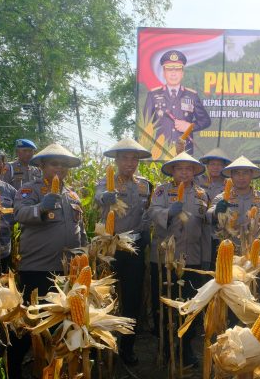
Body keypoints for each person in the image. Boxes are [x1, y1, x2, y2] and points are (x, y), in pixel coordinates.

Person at [11, 143, 87, 379]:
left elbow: (80, 228)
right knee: (30, 321)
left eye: (64, 165)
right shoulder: (29, 190)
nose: (60, 169)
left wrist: (84, 254)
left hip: (65, 270)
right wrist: (40, 209)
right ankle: (14, 367)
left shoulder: (72, 195)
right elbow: (19, 214)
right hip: (37, 268)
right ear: (42, 165)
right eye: (54, 163)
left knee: (58, 323)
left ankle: (51, 368)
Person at [146, 151, 210, 367]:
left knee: (190, 305)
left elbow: (205, 225)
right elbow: (152, 213)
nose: (184, 172)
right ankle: (164, 347)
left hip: (191, 258)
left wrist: (206, 257)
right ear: (172, 171)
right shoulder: (162, 191)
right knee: (163, 303)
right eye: (179, 168)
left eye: (188, 169)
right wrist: (169, 213)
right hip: (164, 259)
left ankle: (185, 347)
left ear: (194, 172)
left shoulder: (202, 194)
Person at [94, 138, 153, 365]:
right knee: (105, 296)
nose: (130, 162)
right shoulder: (105, 183)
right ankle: (103, 347)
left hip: (134, 248)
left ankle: (127, 347)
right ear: (117, 160)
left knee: (132, 299)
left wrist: (146, 232)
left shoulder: (144, 185)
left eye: (134, 158)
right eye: (125, 158)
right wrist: (105, 197)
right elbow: (99, 196)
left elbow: (146, 213)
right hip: (109, 247)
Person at [142, 50, 211, 154]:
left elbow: (205, 121)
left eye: (177, 70)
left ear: (182, 73)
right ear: (164, 73)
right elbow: (144, 124)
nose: (173, 74)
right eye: (169, 70)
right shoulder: (152, 96)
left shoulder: (192, 95)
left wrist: (189, 127)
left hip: (184, 153)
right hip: (160, 153)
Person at [207, 155, 260, 246]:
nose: (241, 177)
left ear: (251, 175)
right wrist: (216, 211)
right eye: (237, 173)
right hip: (228, 249)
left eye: (245, 173)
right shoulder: (221, 198)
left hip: (256, 250)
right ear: (231, 176)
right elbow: (208, 216)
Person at [197, 147, 231, 267]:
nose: (215, 167)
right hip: (200, 228)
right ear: (207, 165)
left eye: (219, 165)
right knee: (202, 264)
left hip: (221, 231)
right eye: (212, 164)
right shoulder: (197, 180)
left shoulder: (230, 184)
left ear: (224, 167)